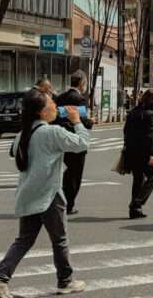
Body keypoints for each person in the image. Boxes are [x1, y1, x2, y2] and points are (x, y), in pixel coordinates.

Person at [0, 88, 90, 297]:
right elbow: (82, 144)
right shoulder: (52, 133)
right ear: (42, 112)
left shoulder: (25, 132)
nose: (56, 106)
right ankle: (65, 281)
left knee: (24, 240)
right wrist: (77, 121)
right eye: (52, 103)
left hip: (28, 193)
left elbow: (14, 151)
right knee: (59, 240)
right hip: (50, 194)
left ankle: (0, 280)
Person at [54, 70, 93, 215]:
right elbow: (81, 121)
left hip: (60, 139)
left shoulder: (60, 97)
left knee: (67, 171)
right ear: (82, 83)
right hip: (76, 139)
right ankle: (68, 205)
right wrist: (90, 122)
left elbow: (57, 117)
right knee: (75, 174)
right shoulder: (80, 99)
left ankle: (60, 200)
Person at [122, 88, 153, 219]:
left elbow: (125, 131)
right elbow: (150, 137)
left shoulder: (133, 112)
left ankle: (135, 210)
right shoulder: (150, 115)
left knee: (138, 178)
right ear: (152, 101)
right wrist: (152, 155)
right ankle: (136, 203)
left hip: (131, 151)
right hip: (144, 152)